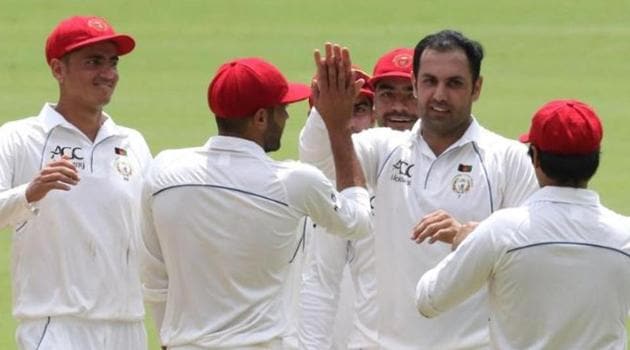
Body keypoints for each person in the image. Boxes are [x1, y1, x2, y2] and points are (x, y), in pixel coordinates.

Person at [298, 30, 539, 349]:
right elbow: (318, 162)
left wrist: (472, 236)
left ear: (476, 88)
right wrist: (326, 115)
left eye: (454, 83)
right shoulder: (383, 148)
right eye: (429, 81)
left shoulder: (508, 158)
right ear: (416, 83)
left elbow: (534, 254)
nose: (439, 95)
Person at [140, 47, 373, 349]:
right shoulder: (294, 182)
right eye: (282, 108)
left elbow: (154, 277)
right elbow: (358, 222)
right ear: (261, 118)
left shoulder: (163, 171)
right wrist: (338, 127)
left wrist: (171, 337)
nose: (287, 115)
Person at [416, 99, 630, 349]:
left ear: (535, 157)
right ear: (595, 160)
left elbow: (429, 300)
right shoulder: (625, 236)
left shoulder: (500, 232)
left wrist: (466, 243)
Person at [0, 16, 151, 349]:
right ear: (58, 69)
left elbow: (154, 234)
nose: (108, 73)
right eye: (93, 62)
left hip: (128, 327)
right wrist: (29, 193)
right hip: (56, 326)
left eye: (112, 62)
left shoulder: (132, 142)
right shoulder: (18, 138)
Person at [298, 49, 415, 350]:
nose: (399, 107)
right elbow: (321, 280)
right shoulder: (349, 172)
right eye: (388, 94)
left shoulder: (463, 167)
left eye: (410, 93)